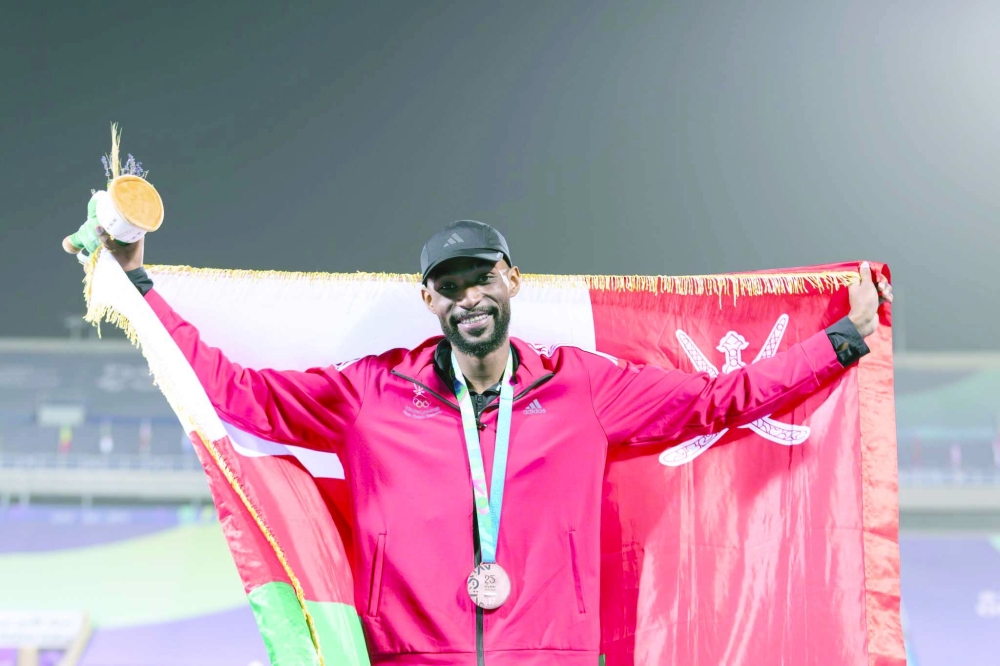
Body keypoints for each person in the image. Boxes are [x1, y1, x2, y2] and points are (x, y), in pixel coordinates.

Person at [91, 220, 891, 666]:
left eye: (481, 277)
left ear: (511, 280)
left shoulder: (583, 388)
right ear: (427, 298)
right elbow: (236, 394)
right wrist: (139, 288)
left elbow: (718, 400)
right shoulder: (370, 394)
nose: (467, 296)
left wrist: (840, 344)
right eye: (449, 283)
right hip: (412, 658)